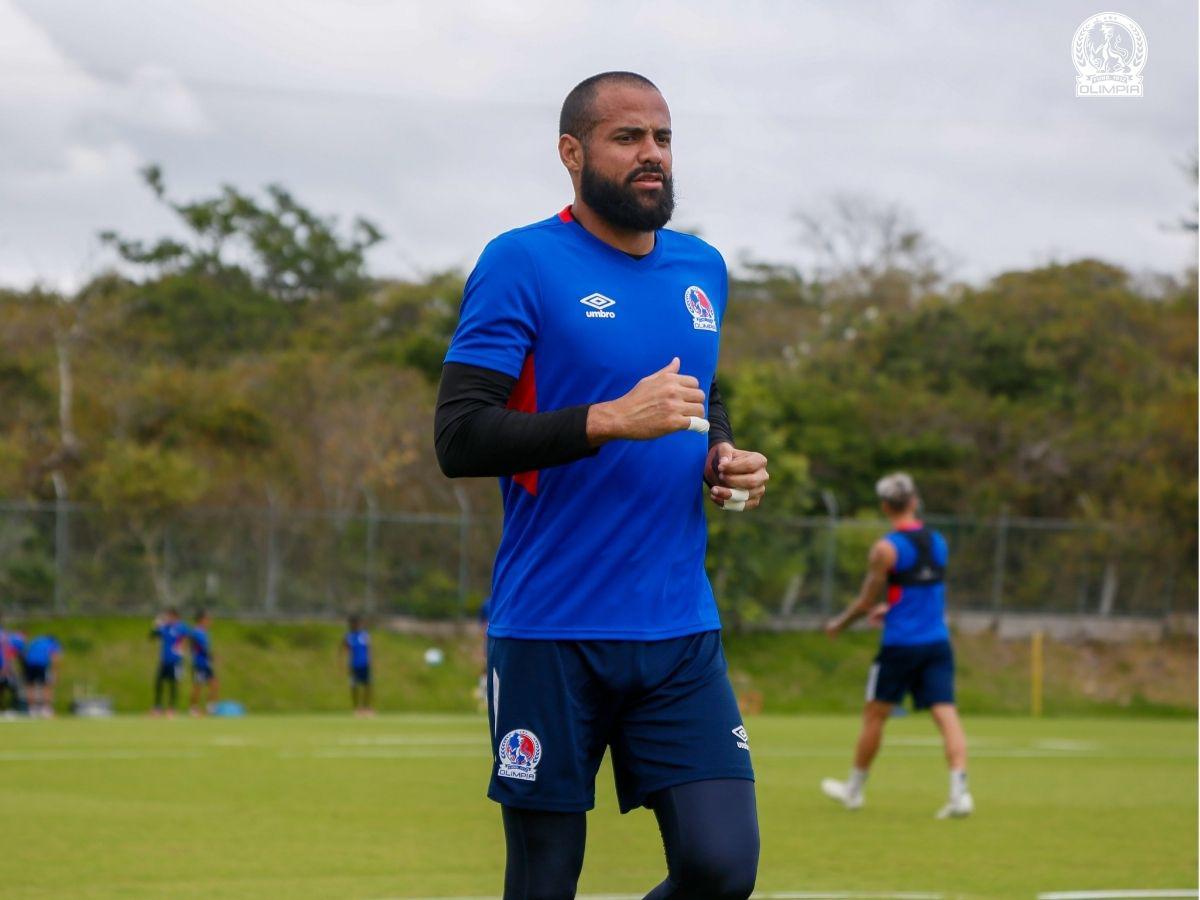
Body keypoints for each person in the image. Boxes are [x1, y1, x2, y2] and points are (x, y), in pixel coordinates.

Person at [435, 71, 769, 899]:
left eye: (661, 138)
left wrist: (720, 456)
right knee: (545, 881)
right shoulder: (522, 262)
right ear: (572, 153)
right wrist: (608, 420)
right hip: (553, 629)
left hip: (678, 627)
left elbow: (699, 393)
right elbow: (460, 436)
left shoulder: (703, 269)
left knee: (721, 869)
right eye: (628, 139)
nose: (651, 155)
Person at [821, 472, 974, 819]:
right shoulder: (939, 542)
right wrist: (892, 608)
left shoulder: (885, 549)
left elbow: (863, 602)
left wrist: (839, 624)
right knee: (946, 714)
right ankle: (959, 793)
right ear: (915, 501)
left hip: (900, 646)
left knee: (875, 715)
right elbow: (924, 589)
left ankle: (854, 791)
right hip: (937, 641)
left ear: (885, 506)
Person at [149, 608, 189, 717]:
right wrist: (156, 626)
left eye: (170, 616)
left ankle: (172, 708)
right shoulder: (165, 628)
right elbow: (152, 636)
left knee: (173, 684)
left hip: (176, 661)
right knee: (159, 683)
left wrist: (182, 648)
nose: (168, 618)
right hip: (164, 660)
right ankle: (157, 707)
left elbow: (187, 637)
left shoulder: (181, 627)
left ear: (175, 616)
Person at [21, 634, 62, 718]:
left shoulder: (36, 641)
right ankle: (46, 709)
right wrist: (54, 672)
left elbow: (25, 652)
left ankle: (31, 710)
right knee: (46, 686)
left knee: (30, 686)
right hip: (42, 664)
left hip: (29, 663)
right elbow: (55, 657)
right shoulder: (53, 643)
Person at [187, 609, 218, 716]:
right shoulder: (196, 632)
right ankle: (193, 709)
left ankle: (210, 708)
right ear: (201, 620)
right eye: (208, 619)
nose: (210, 621)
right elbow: (201, 648)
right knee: (198, 686)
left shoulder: (205, 633)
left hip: (206, 664)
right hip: (199, 664)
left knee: (214, 684)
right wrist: (211, 656)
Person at [341, 615, 372, 716]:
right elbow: (344, 649)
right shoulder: (349, 636)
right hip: (354, 665)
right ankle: (356, 708)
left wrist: (371, 661)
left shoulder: (364, 635)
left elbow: (369, 649)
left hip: (364, 664)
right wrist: (344, 662)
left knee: (367, 685)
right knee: (354, 686)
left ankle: (366, 707)